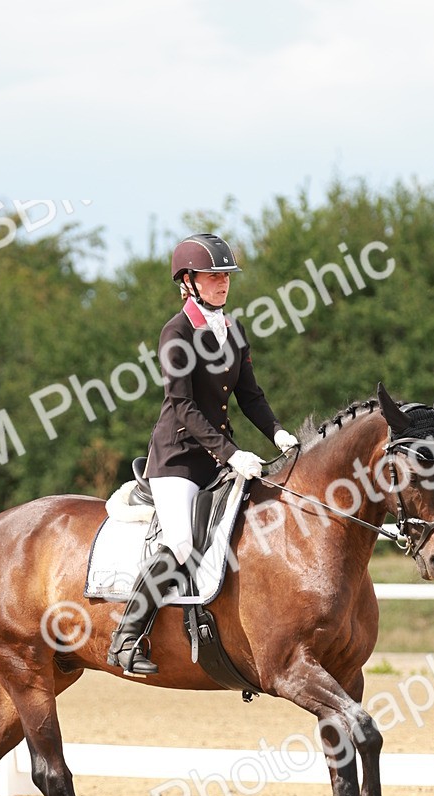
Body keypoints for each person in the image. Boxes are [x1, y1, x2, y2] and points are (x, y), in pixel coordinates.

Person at [107, 232, 298, 677]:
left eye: (225, 276)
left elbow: (251, 396)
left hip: (218, 457)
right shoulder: (176, 332)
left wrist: (279, 434)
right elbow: (182, 406)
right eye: (213, 276)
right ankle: (126, 637)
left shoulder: (234, 330)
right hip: (178, 460)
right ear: (188, 281)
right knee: (180, 543)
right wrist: (232, 454)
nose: (222, 283)